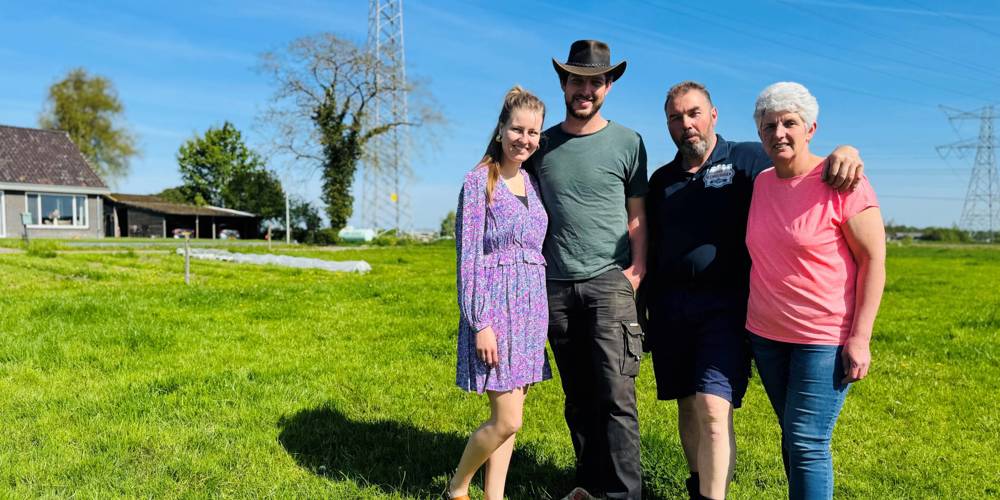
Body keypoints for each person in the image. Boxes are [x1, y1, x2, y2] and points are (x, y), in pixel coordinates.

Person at [644, 81, 864, 500]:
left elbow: (800, 158)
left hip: (727, 310)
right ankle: (699, 488)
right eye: (676, 117)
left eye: (694, 113)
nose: (686, 123)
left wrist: (847, 151)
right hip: (671, 311)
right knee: (689, 408)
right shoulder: (661, 180)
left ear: (713, 115)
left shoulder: (748, 158)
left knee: (712, 407)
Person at [745, 82, 885, 500]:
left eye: (790, 123)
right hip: (767, 336)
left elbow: (874, 260)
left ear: (811, 129)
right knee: (792, 436)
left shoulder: (842, 181)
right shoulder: (761, 182)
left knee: (807, 441)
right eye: (769, 126)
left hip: (822, 339)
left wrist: (860, 338)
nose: (779, 133)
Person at [533, 40, 647, 500]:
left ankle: (624, 494)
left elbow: (637, 214)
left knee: (617, 396)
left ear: (608, 86)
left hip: (609, 282)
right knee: (578, 398)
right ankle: (590, 485)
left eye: (595, 81)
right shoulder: (541, 144)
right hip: (556, 286)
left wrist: (636, 272)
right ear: (563, 83)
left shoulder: (628, 142)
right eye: (577, 79)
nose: (585, 89)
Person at [447, 86, 550, 500]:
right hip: (495, 309)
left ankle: (495, 496)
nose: (525, 139)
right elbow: (468, 257)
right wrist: (481, 323)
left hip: (530, 309)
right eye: (517, 129)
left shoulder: (531, 181)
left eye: (533, 132)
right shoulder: (478, 183)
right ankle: (457, 487)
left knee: (513, 416)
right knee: (507, 420)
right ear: (501, 130)